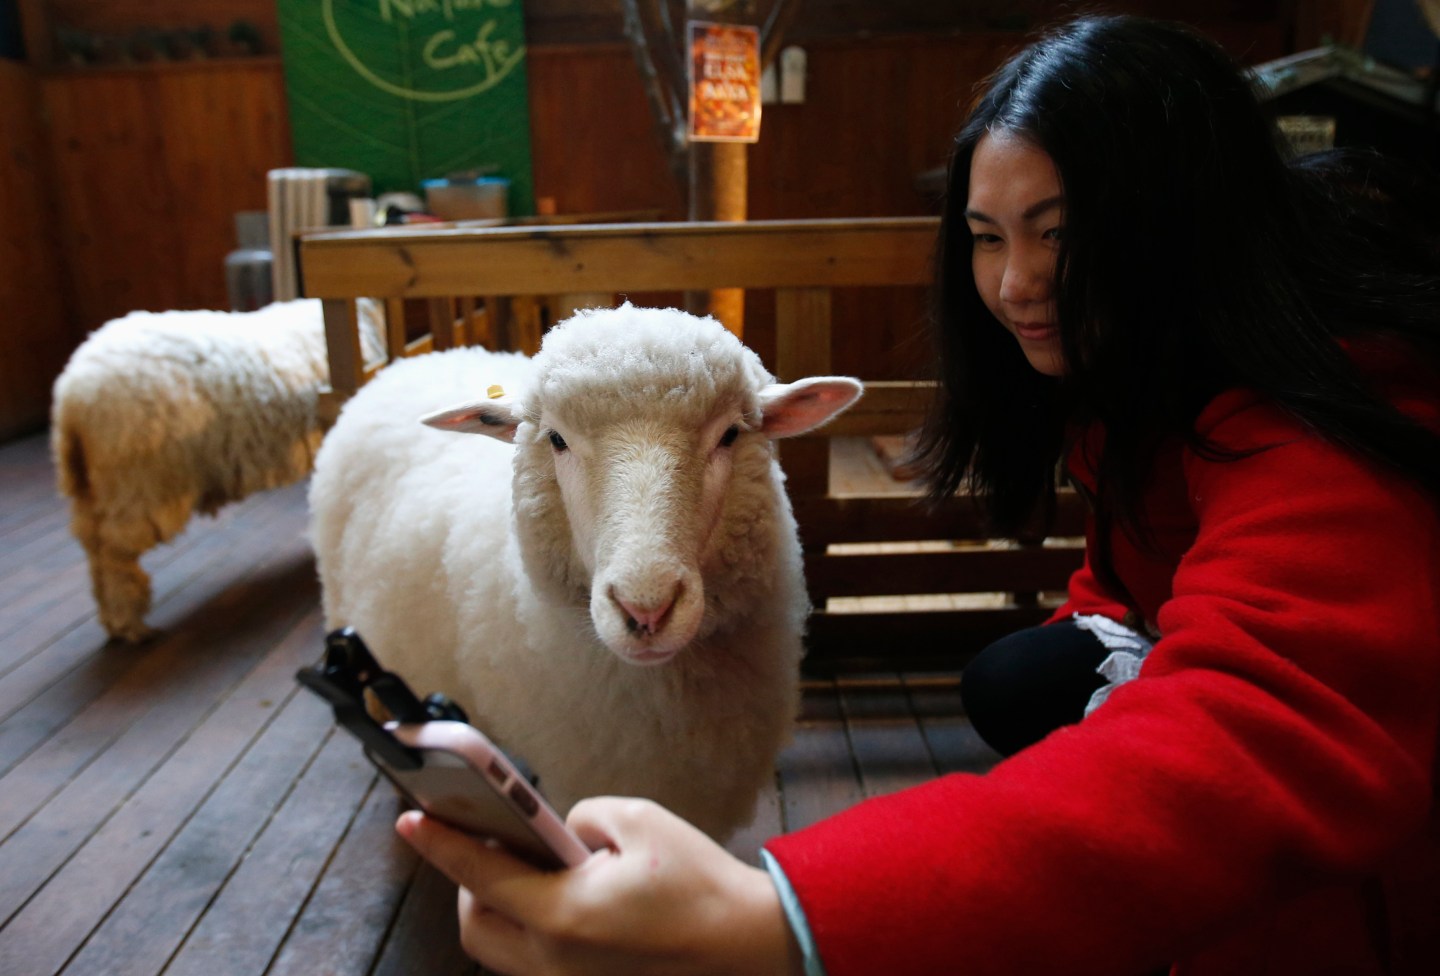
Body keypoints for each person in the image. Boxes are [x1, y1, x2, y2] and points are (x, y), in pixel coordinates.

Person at [396, 14, 1440, 976]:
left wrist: (782, 918)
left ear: (1178, 215)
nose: (1016, 282)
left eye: (1059, 232)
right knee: (1017, 675)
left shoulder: (1340, 414)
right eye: (988, 237)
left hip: (1381, 897)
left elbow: (1270, 715)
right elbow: (1141, 558)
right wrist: (1108, 623)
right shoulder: (1146, 375)